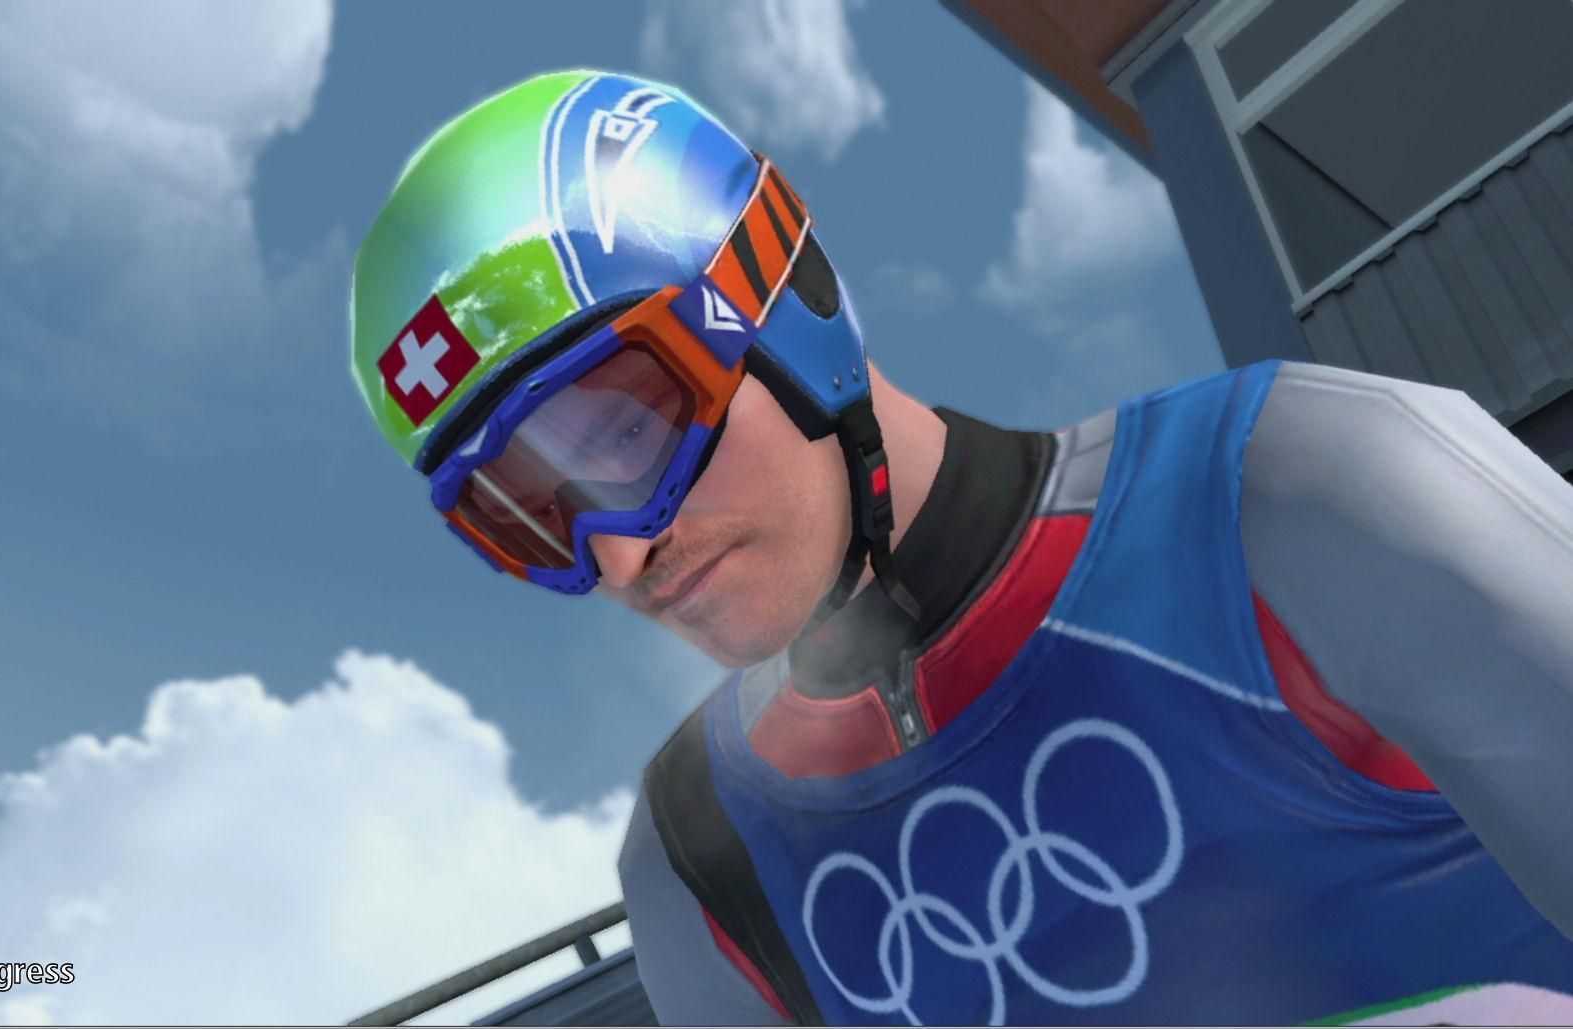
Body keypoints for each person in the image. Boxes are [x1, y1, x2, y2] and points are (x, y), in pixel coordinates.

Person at [349, 70, 1573, 1026]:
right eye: (527, 519)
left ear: (781, 307)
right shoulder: (691, 854)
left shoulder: (1300, 489)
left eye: (624, 431)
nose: (620, 558)